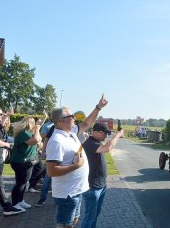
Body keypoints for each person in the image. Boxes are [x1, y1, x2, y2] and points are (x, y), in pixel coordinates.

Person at [46, 94, 108, 228]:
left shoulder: (70, 133)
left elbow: (86, 123)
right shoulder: (57, 141)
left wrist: (98, 107)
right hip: (67, 195)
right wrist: (76, 165)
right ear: (61, 121)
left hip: (76, 191)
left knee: (73, 222)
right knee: (65, 225)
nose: (74, 118)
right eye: (71, 116)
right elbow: (51, 171)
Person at [81, 123, 124, 228]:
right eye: (104, 133)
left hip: (100, 185)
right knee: (89, 216)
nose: (106, 136)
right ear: (95, 132)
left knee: (95, 214)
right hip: (93, 187)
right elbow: (107, 148)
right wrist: (117, 135)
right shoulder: (90, 143)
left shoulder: (96, 142)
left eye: (107, 134)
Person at [9, 116, 42, 211]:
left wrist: (37, 129)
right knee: (21, 183)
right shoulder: (23, 133)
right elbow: (35, 140)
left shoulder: (28, 133)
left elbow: (38, 139)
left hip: (26, 162)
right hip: (20, 162)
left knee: (23, 182)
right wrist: (37, 129)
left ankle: (20, 201)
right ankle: (15, 203)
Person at [36, 125, 55, 207]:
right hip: (52, 158)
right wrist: (43, 153)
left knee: (50, 180)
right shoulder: (54, 127)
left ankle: (43, 200)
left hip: (59, 158)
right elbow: (46, 139)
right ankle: (42, 199)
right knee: (48, 179)